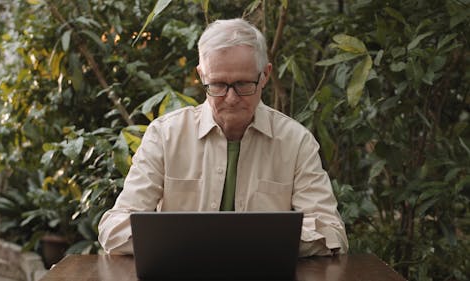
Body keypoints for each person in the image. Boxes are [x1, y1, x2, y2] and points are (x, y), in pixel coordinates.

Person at [98, 18, 348, 256]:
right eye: (217, 85)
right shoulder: (165, 136)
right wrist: (235, 242)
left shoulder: (295, 142)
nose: (231, 98)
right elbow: (114, 229)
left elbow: (331, 232)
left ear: (265, 75)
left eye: (243, 84)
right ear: (201, 76)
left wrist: (232, 243)